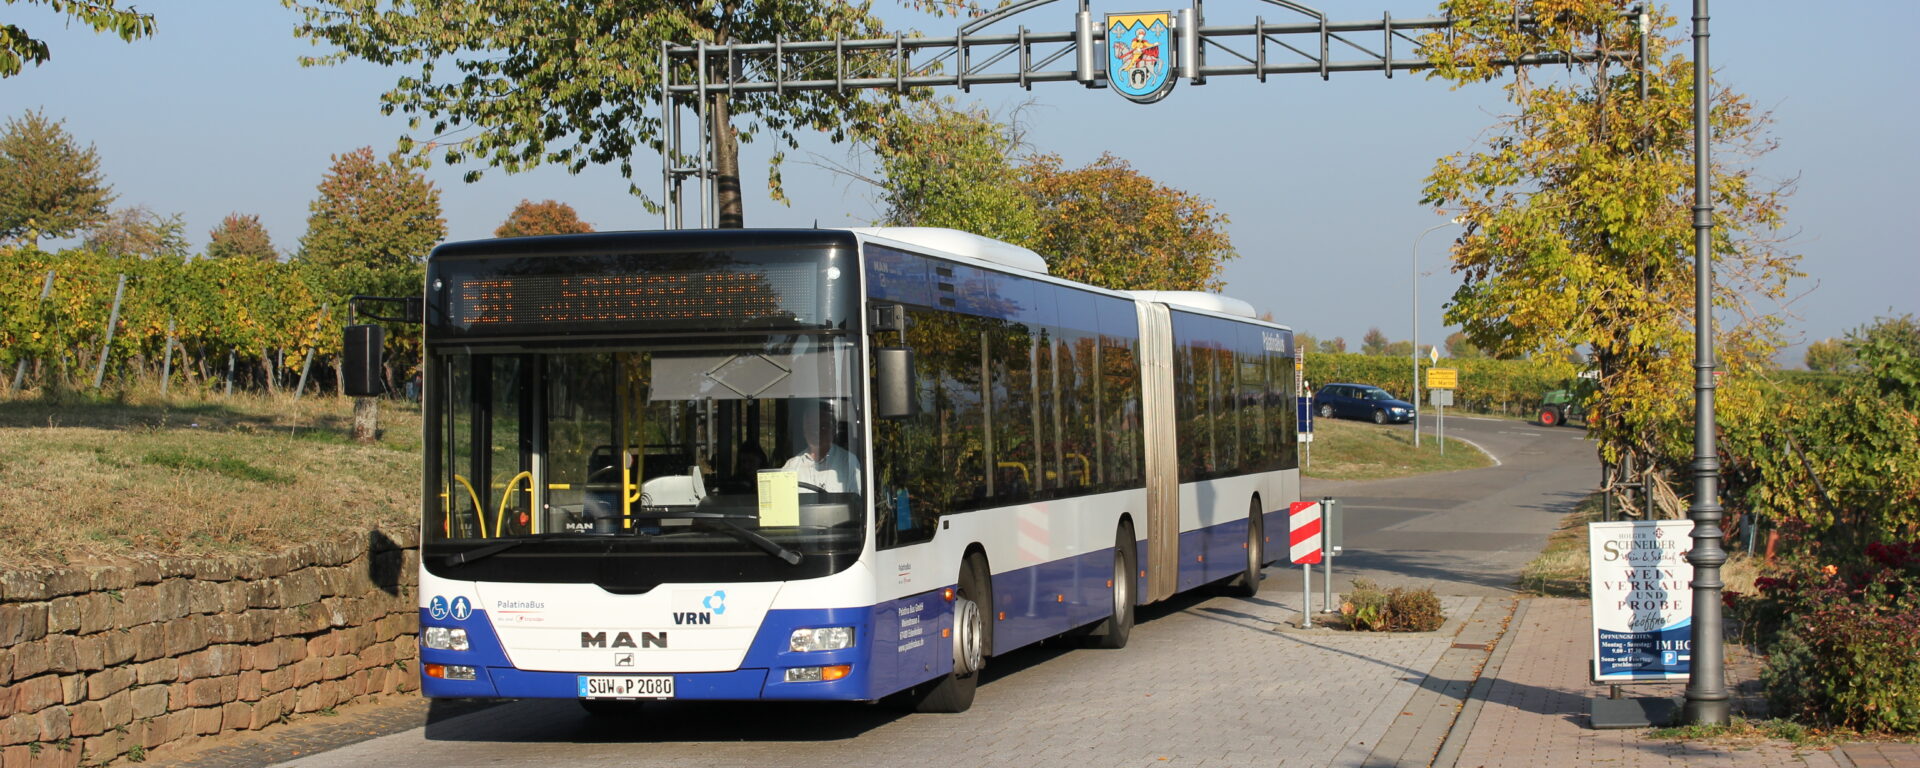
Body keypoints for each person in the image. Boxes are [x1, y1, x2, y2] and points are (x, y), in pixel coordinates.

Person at [780, 402, 860, 493]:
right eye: (812, 426)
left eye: (823, 426)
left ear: (833, 430)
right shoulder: (792, 466)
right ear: (804, 430)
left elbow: (857, 504)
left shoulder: (849, 463)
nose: (817, 431)